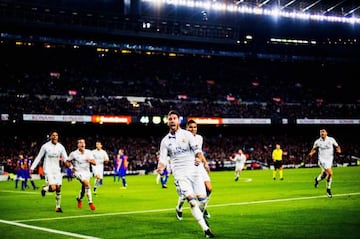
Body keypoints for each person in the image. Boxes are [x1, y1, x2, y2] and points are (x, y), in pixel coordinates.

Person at [157, 110, 215, 238]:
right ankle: (206, 230)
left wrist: (200, 159)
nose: (172, 120)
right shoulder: (165, 141)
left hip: (194, 172)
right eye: (170, 118)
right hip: (180, 174)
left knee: (202, 199)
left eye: (174, 118)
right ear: (168, 122)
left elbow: (197, 151)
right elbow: (162, 159)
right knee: (192, 202)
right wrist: (160, 167)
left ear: (178, 120)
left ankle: (200, 214)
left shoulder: (187, 135)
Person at [175, 119, 213, 220]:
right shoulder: (181, 139)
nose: (193, 129)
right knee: (185, 194)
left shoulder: (199, 138)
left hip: (199, 166)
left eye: (195, 127)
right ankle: (178, 208)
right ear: (186, 128)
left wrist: (205, 163)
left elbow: (199, 152)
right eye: (190, 127)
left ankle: (202, 208)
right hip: (187, 167)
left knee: (209, 188)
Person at [30, 131, 68, 213]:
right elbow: (39, 157)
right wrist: (32, 167)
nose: (55, 137)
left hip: (57, 169)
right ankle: (46, 188)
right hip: (48, 169)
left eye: (56, 135)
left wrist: (71, 167)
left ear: (58, 137)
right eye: (53, 135)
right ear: (51, 137)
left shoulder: (61, 147)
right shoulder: (45, 146)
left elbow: (66, 159)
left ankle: (58, 207)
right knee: (53, 188)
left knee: (58, 188)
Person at [309, 129, 341, 198]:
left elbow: (337, 146)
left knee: (324, 175)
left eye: (323, 132)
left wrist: (338, 150)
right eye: (321, 132)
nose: (322, 133)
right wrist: (311, 153)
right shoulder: (317, 142)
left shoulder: (331, 140)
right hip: (322, 160)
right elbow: (314, 149)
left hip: (329, 159)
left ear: (326, 133)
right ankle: (328, 189)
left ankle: (317, 179)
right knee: (330, 173)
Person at [66, 138, 96, 210]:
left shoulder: (89, 152)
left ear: (85, 144)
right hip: (78, 172)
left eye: (83, 143)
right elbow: (67, 161)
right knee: (87, 183)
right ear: (78, 145)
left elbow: (94, 163)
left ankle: (79, 198)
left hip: (87, 173)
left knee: (84, 188)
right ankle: (90, 203)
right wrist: (71, 168)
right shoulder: (73, 153)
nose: (82, 144)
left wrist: (89, 160)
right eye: (80, 143)